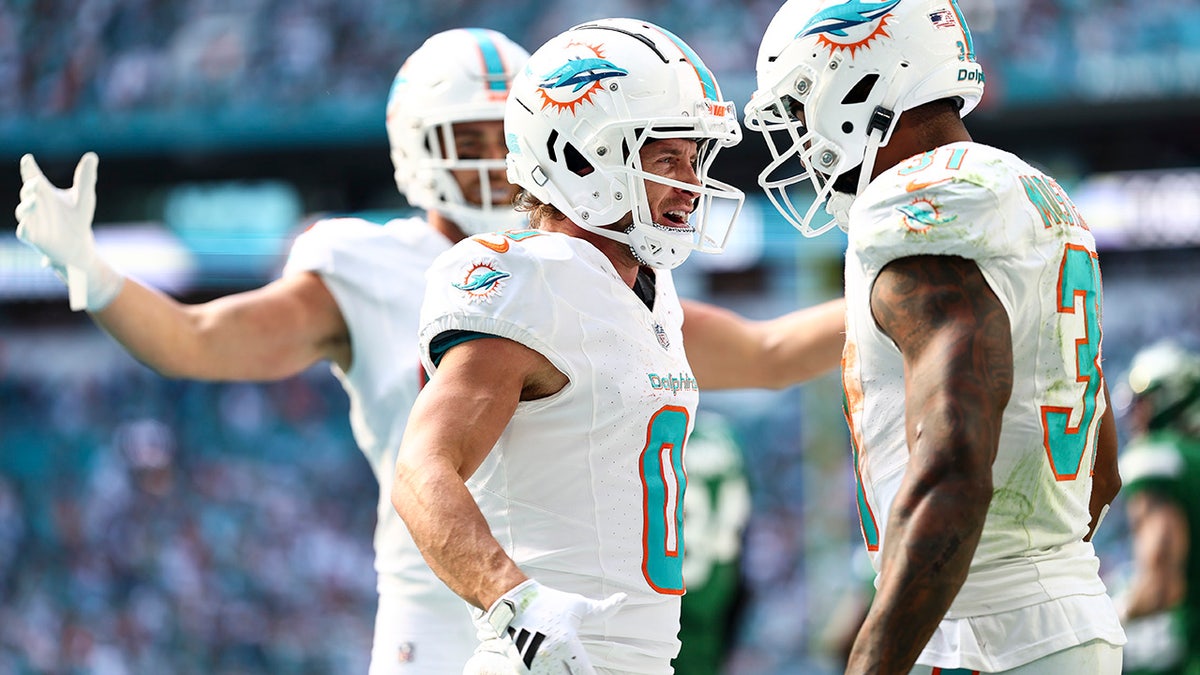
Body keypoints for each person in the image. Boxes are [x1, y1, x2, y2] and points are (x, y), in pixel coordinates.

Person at [14, 27, 533, 674]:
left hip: (565, 600)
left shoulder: (580, 270)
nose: (490, 161)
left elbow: (686, 347)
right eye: (467, 139)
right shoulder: (371, 265)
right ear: (419, 148)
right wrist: (93, 273)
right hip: (440, 618)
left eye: (503, 137)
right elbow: (196, 338)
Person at [389, 17, 845, 674]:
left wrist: (895, 290)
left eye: (694, 158)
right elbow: (421, 469)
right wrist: (512, 601)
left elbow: (769, 354)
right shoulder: (529, 282)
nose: (690, 185)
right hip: (544, 656)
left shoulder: (642, 295)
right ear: (581, 157)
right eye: (666, 159)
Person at [742, 1, 1127, 673]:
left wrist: (873, 659)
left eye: (802, 112)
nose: (802, 141)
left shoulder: (916, 205)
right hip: (1064, 617)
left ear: (854, 85)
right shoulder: (1037, 194)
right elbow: (1104, 463)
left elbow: (952, 461)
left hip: (985, 638)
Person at [1116, 341, 1200, 675]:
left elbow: (1161, 586)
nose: (1135, 416)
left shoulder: (1159, 457)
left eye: (1143, 403)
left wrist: (1114, 611)